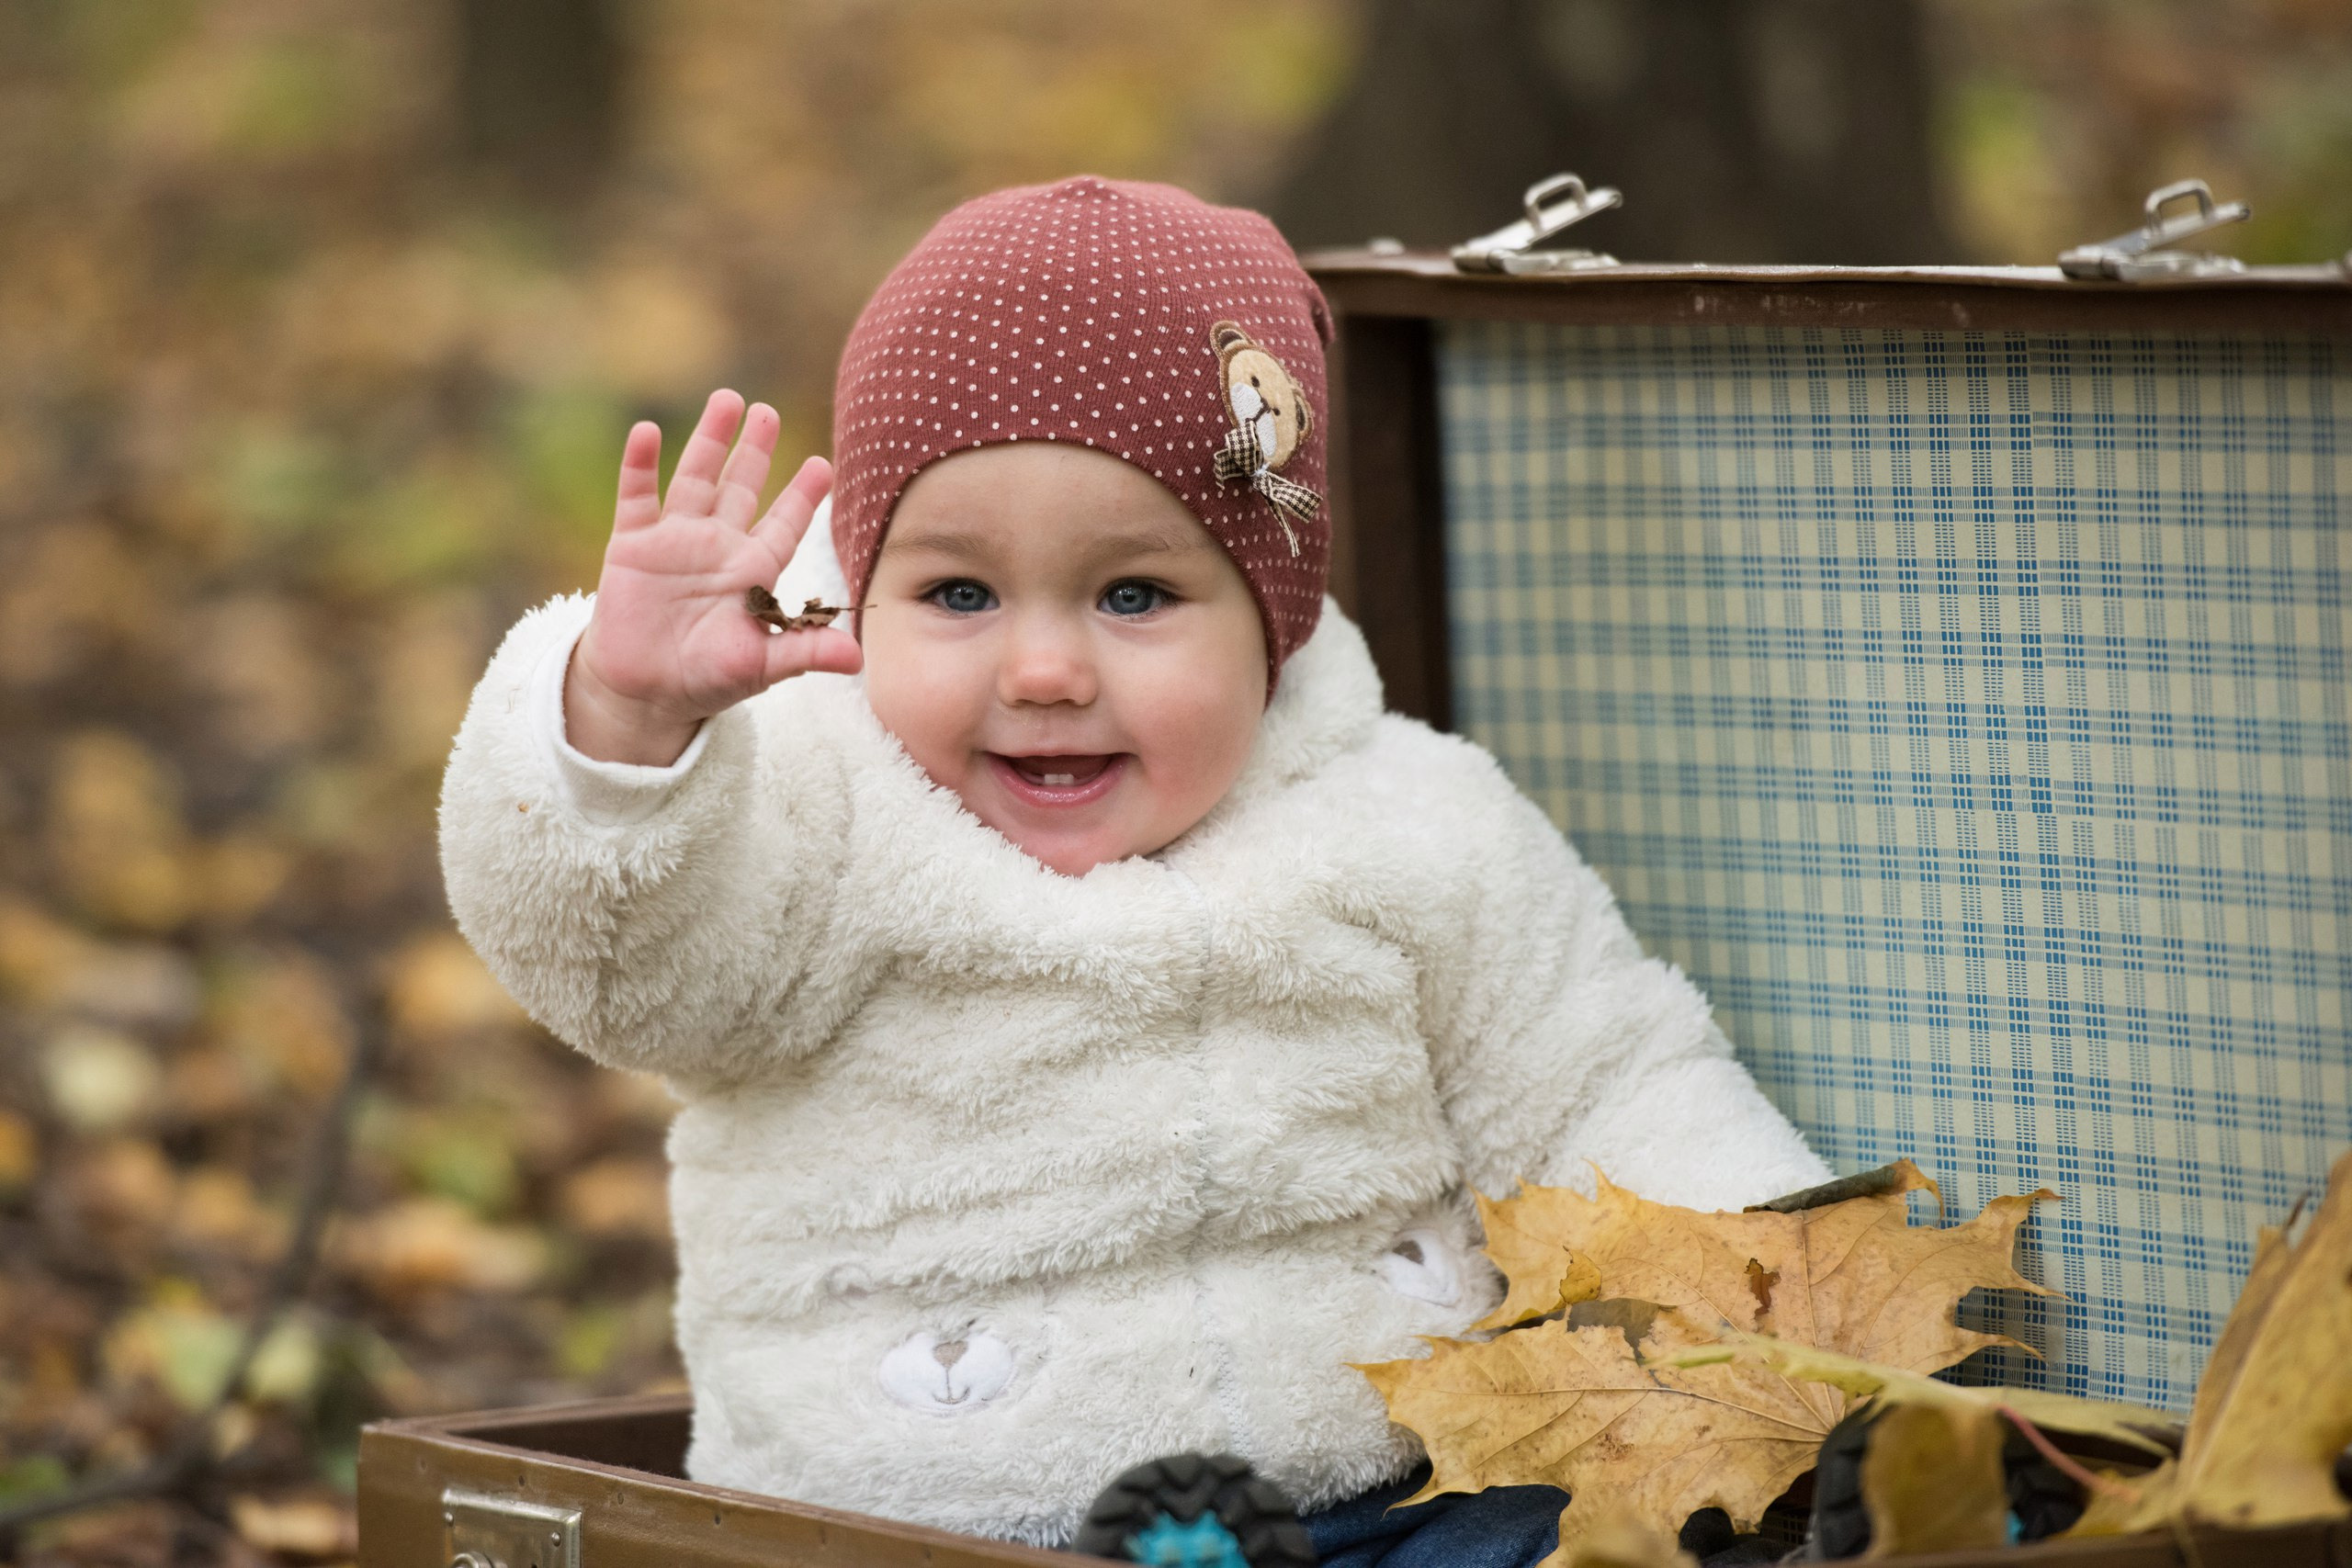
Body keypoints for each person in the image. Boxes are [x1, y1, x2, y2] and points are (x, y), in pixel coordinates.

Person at [438, 175, 1830, 1565]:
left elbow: (1600, 1071)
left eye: (1135, 596)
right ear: (863, 592)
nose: (1045, 672)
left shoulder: (1407, 813)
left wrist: (1816, 1316)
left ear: (1270, 620)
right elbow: (618, 963)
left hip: (1398, 1486)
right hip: (929, 1510)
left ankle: (1868, 1501)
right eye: (960, 595)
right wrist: (625, 723)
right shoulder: (809, 817)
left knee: (1592, 1528)